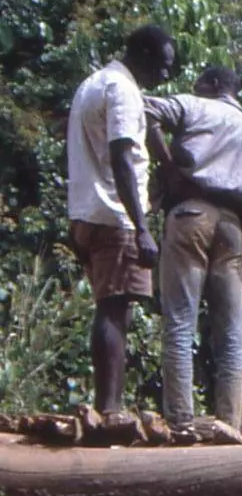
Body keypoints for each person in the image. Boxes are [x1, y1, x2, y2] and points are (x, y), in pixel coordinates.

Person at [145, 66, 242, 434]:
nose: (195, 87)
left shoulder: (194, 106)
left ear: (214, 85)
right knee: (232, 333)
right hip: (234, 227)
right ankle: (229, 424)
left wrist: (169, 167)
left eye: (201, 82)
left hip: (189, 212)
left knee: (181, 322)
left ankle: (181, 422)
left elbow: (146, 110)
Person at [66, 24, 176, 414]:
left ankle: (107, 403)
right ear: (143, 54)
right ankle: (109, 408)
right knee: (115, 307)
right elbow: (121, 157)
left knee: (111, 304)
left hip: (86, 211)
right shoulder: (124, 90)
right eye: (163, 66)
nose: (165, 75)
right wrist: (142, 227)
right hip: (115, 215)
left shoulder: (93, 83)